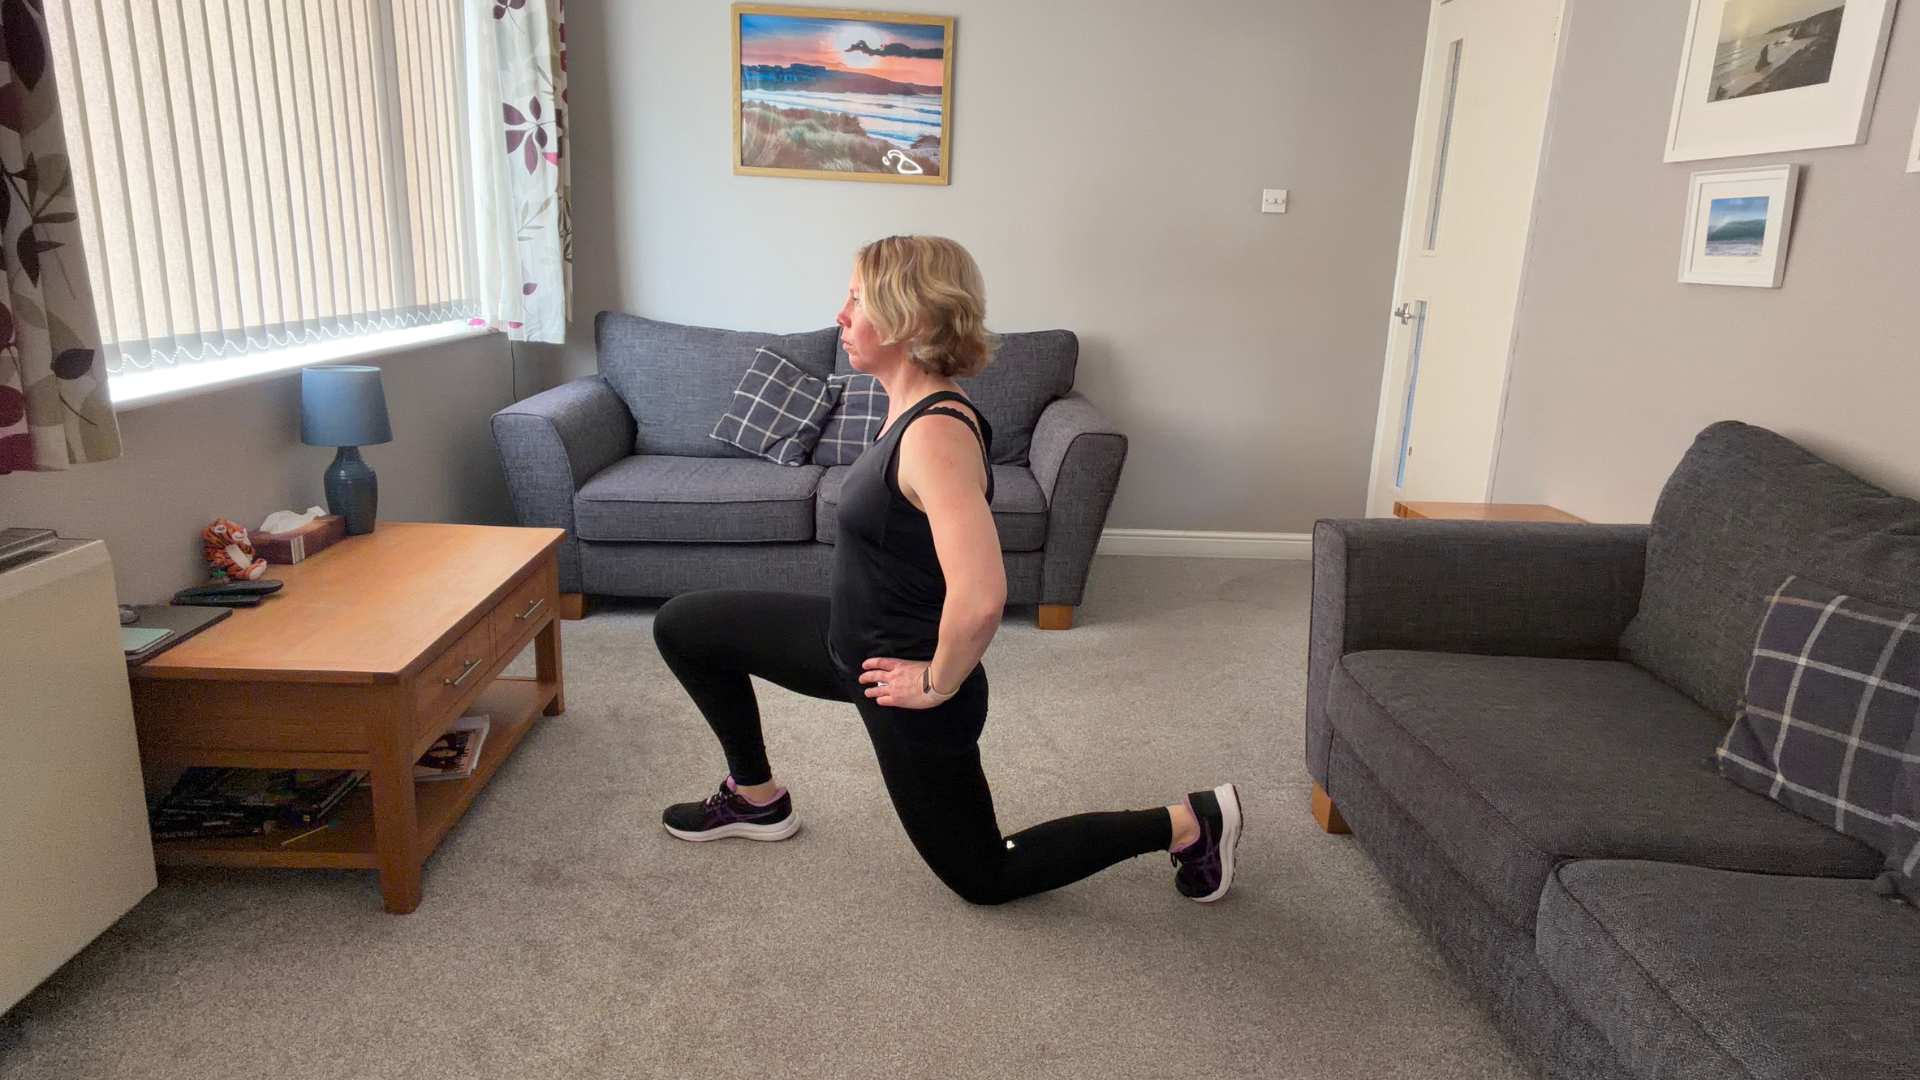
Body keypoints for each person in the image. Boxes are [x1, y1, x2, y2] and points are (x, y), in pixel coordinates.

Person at [652, 235, 1242, 905]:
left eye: (857, 299)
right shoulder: (901, 403)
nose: (840, 315)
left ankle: (1188, 824)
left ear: (909, 316)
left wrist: (934, 684)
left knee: (985, 876)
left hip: (901, 682)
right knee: (686, 626)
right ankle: (756, 799)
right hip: (846, 644)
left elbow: (983, 595)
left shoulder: (935, 434)